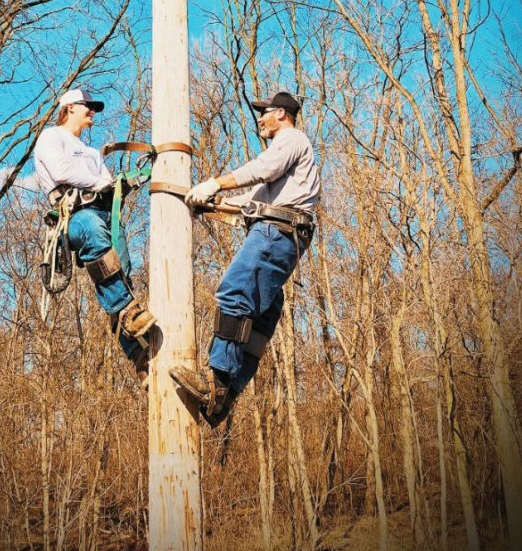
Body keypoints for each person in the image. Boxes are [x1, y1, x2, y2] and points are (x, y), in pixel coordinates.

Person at [169, 91, 320, 425]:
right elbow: (250, 199)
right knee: (260, 318)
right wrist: (209, 202)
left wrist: (214, 183)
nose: (260, 119)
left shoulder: (291, 139)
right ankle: (226, 396)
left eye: (264, 113)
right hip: (285, 236)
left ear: (282, 113)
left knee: (235, 292)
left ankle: (217, 380)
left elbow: (263, 168)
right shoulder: (288, 171)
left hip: (275, 233)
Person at [34, 87, 155, 385]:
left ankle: (140, 356)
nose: (92, 111)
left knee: (120, 275)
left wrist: (119, 185)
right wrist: (104, 182)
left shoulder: (90, 152)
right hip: (74, 218)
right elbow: (62, 171)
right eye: (87, 106)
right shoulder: (51, 137)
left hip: (105, 216)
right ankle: (128, 314)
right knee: (92, 229)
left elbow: (107, 186)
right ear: (70, 108)